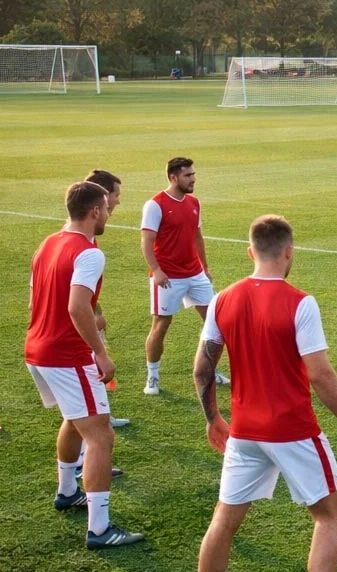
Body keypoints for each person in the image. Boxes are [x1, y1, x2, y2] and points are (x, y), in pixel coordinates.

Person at [190, 215, 337, 572]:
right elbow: (321, 375)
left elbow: (202, 368)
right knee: (329, 516)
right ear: (289, 252)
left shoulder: (222, 301)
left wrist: (213, 418)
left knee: (225, 520)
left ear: (251, 251)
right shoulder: (299, 303)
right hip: (293, 431)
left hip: (245, 433)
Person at [24, 181, 144, 549]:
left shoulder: (48, 242)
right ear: (95, 211)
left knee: (75, 421)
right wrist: (100, 352)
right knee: (101, 435)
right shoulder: (89, 253)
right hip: (67, 356)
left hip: (37, 350)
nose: (109, 214)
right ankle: (99, 529)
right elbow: (78, 307)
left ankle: (66, 492)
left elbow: (35, 300)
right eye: (107, 208)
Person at [140, 157, 225, 395]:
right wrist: (156, 270)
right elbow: (147, 240)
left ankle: (211, 370)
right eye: (188, 175)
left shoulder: (194, 203)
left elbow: (198, 237)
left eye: (193, 174)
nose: (193, 179)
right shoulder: (155, 205)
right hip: (168, 277)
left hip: (195, 274)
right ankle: (153, 377)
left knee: (216, 322)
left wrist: (205, 268)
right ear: (173, 177)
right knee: (161, 325)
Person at [82, 169, 132, 432]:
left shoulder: (86, 238)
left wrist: (97, 311)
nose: (117, 202)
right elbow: (76, 296)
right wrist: (93, 318)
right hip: (72, 334)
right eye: (115, 195)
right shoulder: (82, 244)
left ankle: (101, 416)